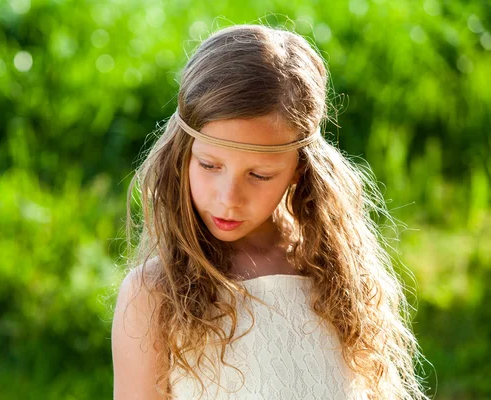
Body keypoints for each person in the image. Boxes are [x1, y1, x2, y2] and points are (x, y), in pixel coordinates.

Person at [111, 23, 430, 400]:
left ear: (299, 170)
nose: (229, 197)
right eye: (210, 166)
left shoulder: (336, 275)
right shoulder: (154, 294)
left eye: (259, 175)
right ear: (182, 154)